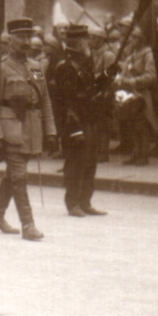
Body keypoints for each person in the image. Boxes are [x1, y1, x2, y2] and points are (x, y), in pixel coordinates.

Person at [0, 18, 57, 241]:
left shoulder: (35, 67)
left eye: (28, 36)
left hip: (31, 131)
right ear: (10, 40)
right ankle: (28, 224)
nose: (25, 41)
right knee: (19, 176)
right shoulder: (0, 68)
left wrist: (50, 131)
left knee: (13, 175)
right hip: (10, 131)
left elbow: (44, 100)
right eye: (20, 37)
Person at [48, 24, 112, 216]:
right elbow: (65, 100)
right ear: (76, 42)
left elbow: (92, 88)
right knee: (75, 162)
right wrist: (73, 127)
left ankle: (85, 201)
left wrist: (109, 74)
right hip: (73, 121)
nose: (88, 43)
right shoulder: (64, 65)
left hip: (88, 117)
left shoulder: (85, 61)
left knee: (90, 161)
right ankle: (73, 202)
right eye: (85, 39)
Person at [113, 24, 158, 165]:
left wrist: (133, 81)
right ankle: (135, 152)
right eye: (131, 38)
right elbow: (125, 71)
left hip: (141, 94)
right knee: (132, 124)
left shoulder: (147, 54)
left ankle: (143, 155)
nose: (131, 40)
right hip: (129, 94)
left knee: (141, 125)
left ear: (141, 39)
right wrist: (120, 78)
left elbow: (151, 76)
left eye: (134, 38)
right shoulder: (131, 55)